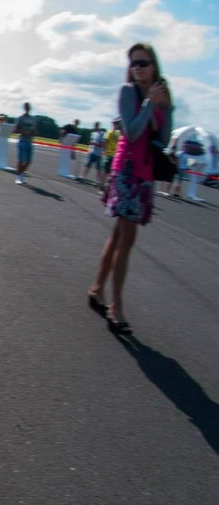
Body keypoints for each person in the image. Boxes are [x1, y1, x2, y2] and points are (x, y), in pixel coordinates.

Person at [87, 43, 173, 336]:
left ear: (154, 66)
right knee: (127, 238)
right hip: (126, 169)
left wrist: (165, 106)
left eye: (143, 63)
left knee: (118, 236)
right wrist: (149, 103)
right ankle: (116, 307)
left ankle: (97, 289)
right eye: (133, 63)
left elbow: (163, 138)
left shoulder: (160, 94)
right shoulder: (128, 92)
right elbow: (133, 132)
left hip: (146, 173)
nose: (137, 68)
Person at [15, 102, 36, 185]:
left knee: (29, 161)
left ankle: (22, 174)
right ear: (24, 108)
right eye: (26, 107)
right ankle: (18, 177)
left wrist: (33, 133)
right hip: (22, 140)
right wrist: (24, 132)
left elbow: (34, 129)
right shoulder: (20, 118)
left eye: (28, 107)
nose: (27, 108)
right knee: (21, 160)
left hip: (30, 141)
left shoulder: (33, 119)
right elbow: (16, 129)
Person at [102, 118, 121, 189]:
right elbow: (105, 142)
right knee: (106, 171)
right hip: (108, 154)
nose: (115, 125)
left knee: (111, 172)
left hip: (115, 155)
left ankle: (107, 186)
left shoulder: (118, 134)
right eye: (115, 124)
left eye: (117, 124)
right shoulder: (109, 132)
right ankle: (102, 186)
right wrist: (105, 153)